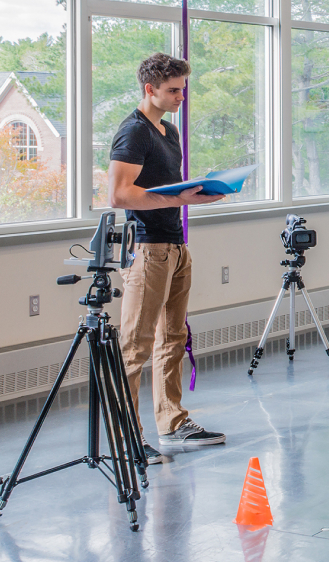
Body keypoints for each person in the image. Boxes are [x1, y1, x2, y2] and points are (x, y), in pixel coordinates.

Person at [109, 53, 228, 465]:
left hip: (174, 244)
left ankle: (172, 422)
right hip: (146, 248)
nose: (181, 96)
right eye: (173, 90)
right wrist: (178, 197)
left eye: (183, 88)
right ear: (150, 89)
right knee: (135, 346)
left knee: (172, 339)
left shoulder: (169, 131)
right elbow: (120, 194)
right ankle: (125, 437)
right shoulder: (133, 132)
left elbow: (166, 188)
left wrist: (195, 195)